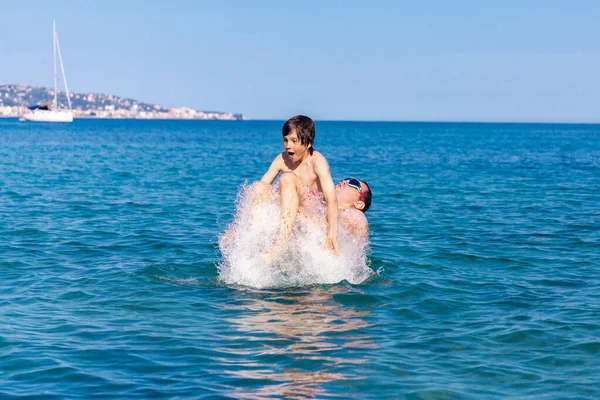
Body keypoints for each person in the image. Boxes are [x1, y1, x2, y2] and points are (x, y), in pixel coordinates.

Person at [259, 115, 339, 259]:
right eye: (285, 140)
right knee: (258, 186)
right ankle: (253, 233)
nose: (288, 145)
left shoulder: (317, 162)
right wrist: (235, 227)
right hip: (288, 218)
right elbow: (261, 189)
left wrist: (331, 236)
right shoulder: (281, 159)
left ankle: (281, 242)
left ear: (308, 143)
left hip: (311, 219)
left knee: (287, 178)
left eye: (294, 141)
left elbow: (332, 199)